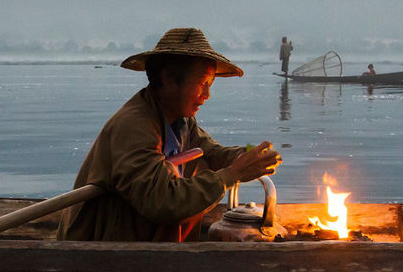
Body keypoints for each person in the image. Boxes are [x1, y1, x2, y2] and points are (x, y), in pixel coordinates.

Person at [58, 27, 279, 242]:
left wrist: (251, 154)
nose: (207, 95)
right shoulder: (134, 125)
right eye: (203, 84)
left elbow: (210, 152)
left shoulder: (181, 120)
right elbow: (162, 201)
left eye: (210, 85)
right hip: (103, 248)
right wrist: (232, 174)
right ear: (169, 79)